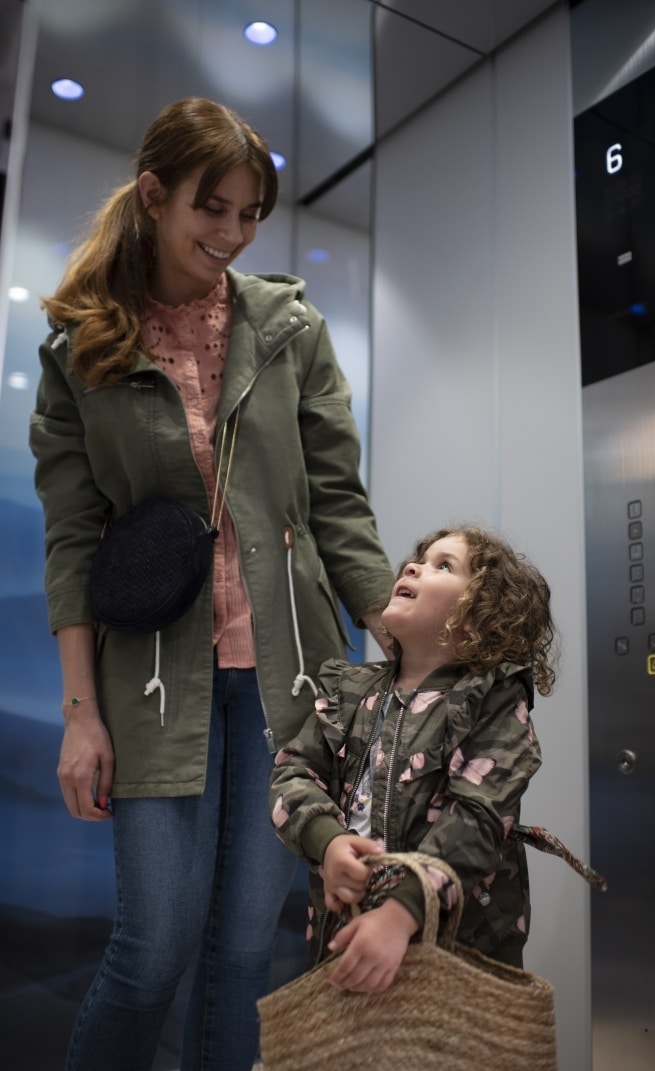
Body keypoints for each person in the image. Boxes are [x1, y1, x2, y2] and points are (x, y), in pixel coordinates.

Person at [29, 97, 394, 1071]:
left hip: (290, 683)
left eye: (251, 213)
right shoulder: (82, 347)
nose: (232, 234)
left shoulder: (288, 328)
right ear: (153, 196)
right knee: (151, 952)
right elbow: (72, 540)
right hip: (153, 680)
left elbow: (336, 504)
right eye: (212, 208)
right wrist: (79, 712)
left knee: (244, 952)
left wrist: (399, 633)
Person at [270, 524, 604, 994]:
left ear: (478, 617)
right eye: (419, 560)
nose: (413, 566)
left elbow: (478, 818)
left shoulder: (492, 700)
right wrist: (327, 843)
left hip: (458, 960)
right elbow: (293, 773)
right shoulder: (348, 691)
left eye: (443, 566)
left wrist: (400, 912)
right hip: (347, 943)